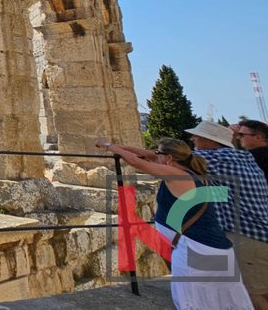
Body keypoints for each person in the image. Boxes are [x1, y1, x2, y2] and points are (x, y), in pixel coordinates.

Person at [95, 136, 252, 310]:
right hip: (214, 247)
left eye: (159, 153)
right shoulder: (193, 172)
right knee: (223, 301)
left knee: (196, 302)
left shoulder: (177, 175)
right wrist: (117, 146)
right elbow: (147, 155)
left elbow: (136, 162)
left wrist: (108, 146)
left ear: (169, 158)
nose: (154, 156)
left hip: (196, 251)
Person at [187, 121, 268, 310]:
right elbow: (229, 193)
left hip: (249, 235)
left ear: (258, 137)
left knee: (253, 294)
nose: (238, 138)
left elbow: (176, 159)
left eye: (242, 135)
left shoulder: (245, 157)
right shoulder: (245, 160)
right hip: (259, 229)